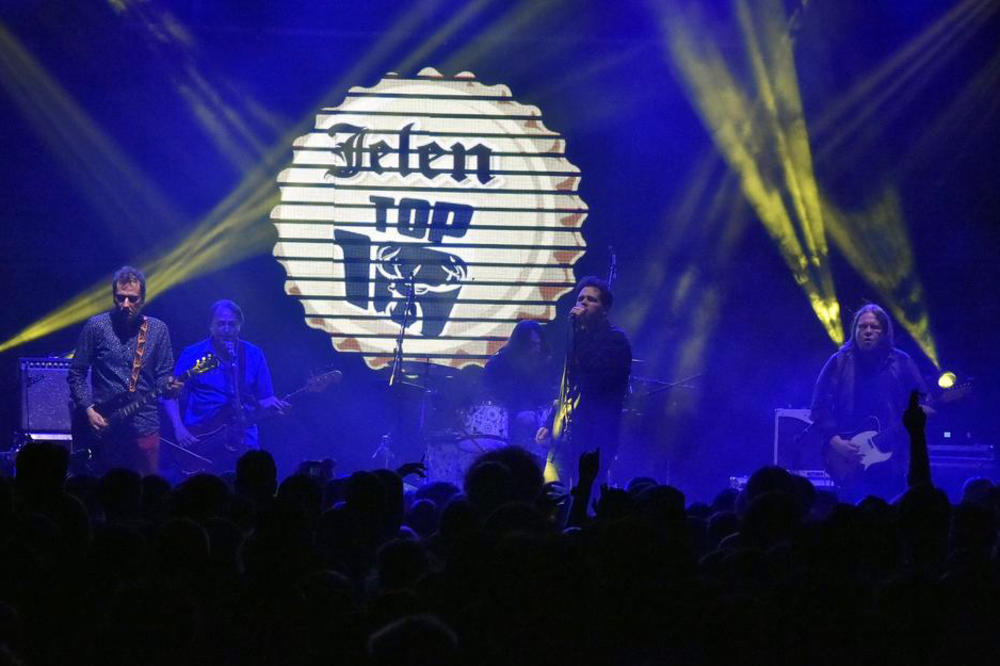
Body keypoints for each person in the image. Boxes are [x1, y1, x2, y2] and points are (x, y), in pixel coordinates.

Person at [810, 303, 930, 499]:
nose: (868, 332)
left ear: (884, 332)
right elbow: (818, 405)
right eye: (862, 326)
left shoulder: (901, 361)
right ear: (855, 330)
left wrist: (926, 411)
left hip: (893, 455)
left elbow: (924, 399)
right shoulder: (839, 361)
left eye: (874, 327)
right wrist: (836, 441)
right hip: (850, 454)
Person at [68, 266, 176, 475]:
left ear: (143, 299)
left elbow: (164, 374)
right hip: (104, 427)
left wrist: (172, 388)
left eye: (132, 299)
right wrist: (89, 410)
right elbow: (76, 373)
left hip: (144, 425)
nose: (126, 304)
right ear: (113, 297)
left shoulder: (158, 329)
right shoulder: (97, 326)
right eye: (121, 298)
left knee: (145, 491)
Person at [165, 300, 289, 463]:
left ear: (240, 326)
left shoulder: (253, 354)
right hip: (202, 438)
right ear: (211, 326)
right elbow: (169, 396)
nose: (226, 330)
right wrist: (179, 429)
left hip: (244, 439)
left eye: (232, 324)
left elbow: (265, 398)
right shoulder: (192, 353)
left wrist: (275, 407)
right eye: (221, 324)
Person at [537, 276, 632, 483]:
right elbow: (568, 387)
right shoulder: (576, 338)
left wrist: (580, 336)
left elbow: (596, 379)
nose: (583, 303)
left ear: (605, 309)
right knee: (552, 494)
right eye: (580, 298)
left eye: (591, 299)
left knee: (587, 500)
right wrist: (549, 421)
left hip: (594, 439)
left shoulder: (616, 340)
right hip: (562, 439)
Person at [483, 320, 555, 448]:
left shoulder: (544, 364)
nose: (536, 350)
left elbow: (548, 392)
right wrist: (518, 411)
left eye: (538, 345)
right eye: (531, 345)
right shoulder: (498, 364)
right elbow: (491, 394)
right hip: (503, 426)